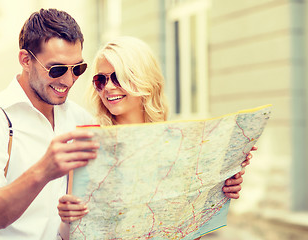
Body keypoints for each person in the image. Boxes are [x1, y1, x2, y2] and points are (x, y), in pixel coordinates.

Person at [57, 36, 257, 239]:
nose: (108, 87)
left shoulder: (179, 146)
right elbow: (71, 234)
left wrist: (224, 184)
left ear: (143, 79)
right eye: (101, 80)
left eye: (118, 77)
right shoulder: (89, 147)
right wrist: (66, 219)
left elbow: (189, 227)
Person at [0, 8, 100, 240]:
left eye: (78, 69)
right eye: (57, 69)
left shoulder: (80, 119)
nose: (68, 80)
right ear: (25, 60)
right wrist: (43, 170)